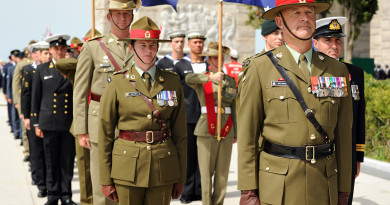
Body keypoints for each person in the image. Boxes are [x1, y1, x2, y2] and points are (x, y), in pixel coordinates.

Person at [237, 1, 353, 205]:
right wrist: (248, 191)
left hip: (323, 186)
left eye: (309, 12)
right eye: (296, 12)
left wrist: (343, 189)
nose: (304, 17)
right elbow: (248, 136)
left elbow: (344, 135)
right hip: (278, 188)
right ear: (280, 21)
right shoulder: (259, 67)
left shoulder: (337, 70)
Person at [98, 16, 187, 205]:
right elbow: (105, 134)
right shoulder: (117, 82)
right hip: (127, 167)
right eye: (142, 45)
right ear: (131, 47)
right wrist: (106, 179)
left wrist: (180, 175)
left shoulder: (171, 81)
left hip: (163, 166)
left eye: (152, 45)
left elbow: (180, 134)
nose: (148, 50)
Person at [73, 1, 140, 204]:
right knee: (102, 186)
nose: (122, 18)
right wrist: (81, 130)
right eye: (117, 14)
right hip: (99, 123)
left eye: (126, 13)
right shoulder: (93, 47)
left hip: (131, 123)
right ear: (109, 17)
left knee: (128, 185)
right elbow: (81, 91)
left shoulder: (139, 46)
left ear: (132, 17)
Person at [313, 16, 366, 205]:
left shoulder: (356, 73)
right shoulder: (308, 72)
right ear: (315, 42)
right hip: (320, 154)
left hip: (347, 154)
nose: (334, 45)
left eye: (338, 40)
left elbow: (359, 117)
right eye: (327, 40)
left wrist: (357, 156)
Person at [185, 42, 237, 205]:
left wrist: (236, 132)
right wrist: (210, 77)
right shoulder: (203, 78)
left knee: (222, 175)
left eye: (220, 58)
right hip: (206, 128)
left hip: (226, 128)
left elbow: (234, 106)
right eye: (213, 58)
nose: (217, 61)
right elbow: (188, 78)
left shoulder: (230, 81)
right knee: (206, 174)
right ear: (208, 59)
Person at [56, 28, 102, 205]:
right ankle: (87, 201)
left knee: (102, 169)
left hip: (101, 122)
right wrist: (87, 60)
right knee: (85, 168)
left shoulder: (107, 68)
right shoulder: (77, 68)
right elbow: (61, 64)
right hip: (82, 124)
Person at [31, 34, 76, 205]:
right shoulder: (42, 70)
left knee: (66, 161)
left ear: (66, 50)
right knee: (50, 161)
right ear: (50, 50)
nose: (59, 51)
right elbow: (36, 98)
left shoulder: (73, 69)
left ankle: (66, 195)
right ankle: (52, 195)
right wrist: (36, 122)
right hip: (48, 122)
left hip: (67, 122)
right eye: (56, 48)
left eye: (62, 48)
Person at [173, 30, 207, 204]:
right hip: (187, 116)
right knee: (188, 156)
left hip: (206, 117)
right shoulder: (179, 66)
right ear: (189, 44)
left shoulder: (209, 66)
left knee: (203, 156)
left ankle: (200, 190)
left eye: (201, 42)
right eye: (195, 42)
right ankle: (187, 191)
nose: (198, 45)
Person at [20, 41, 50, 198]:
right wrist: (25, 116)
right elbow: (25, 94)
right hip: (33, 114)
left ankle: (48, 182)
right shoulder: (28, 70)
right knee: (36, 150)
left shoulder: (50, 69)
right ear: (35, 54)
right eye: (41, 52)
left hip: (47, 114)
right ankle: (40, 182)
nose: (44, 55)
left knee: (47, 151)